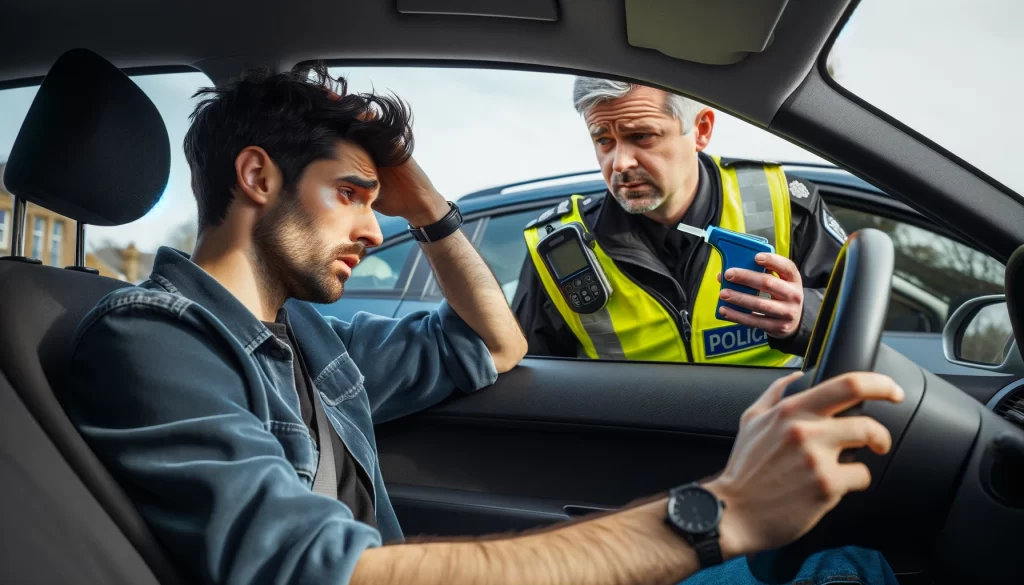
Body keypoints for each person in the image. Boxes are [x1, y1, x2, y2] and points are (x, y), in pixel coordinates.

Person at [67, 65, 901, 585]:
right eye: (353, 195)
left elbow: (494, 343)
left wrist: (426, 204)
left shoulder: (315, 337)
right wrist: (713, 510)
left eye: (377, 200)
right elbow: (318, 570)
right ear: (256, 176)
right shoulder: (151, 336)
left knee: (849, 565)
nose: (373, 227)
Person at [513, 78, 849, 365]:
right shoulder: (558, 247)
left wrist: (802, 318)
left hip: (775, 431)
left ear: (701, 130)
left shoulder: (781, 201)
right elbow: (532, 383)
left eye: (641, 136)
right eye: (603, 140)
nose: (620, 163)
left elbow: (857, 317)